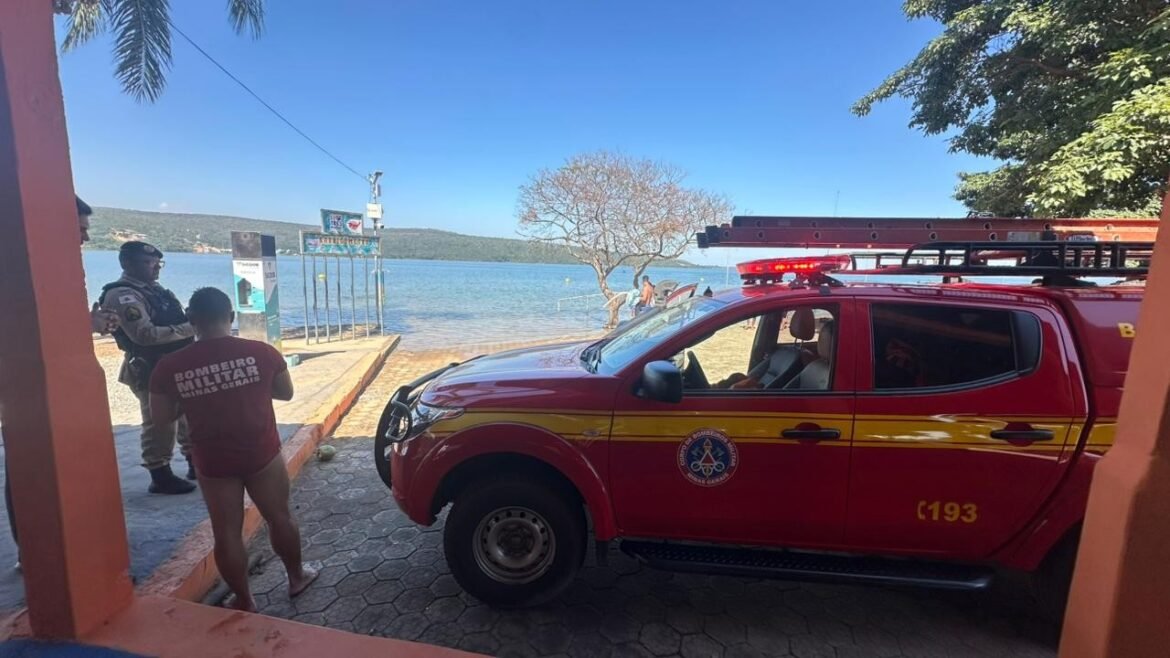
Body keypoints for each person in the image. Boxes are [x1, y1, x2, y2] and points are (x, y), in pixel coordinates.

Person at [149, 288, 317, 611]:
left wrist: (197, 393)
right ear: (231, 317)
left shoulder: (169, 367)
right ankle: (297, 578)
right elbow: (285, 393)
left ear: (191, 319)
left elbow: (161, 419)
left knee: (226, 533)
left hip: (213, 460)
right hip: (261, 452)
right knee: (279, 517)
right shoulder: (262, 352)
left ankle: (244, 599)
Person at [5, 196, 117, 569]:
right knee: (32, 467)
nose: (84, 239)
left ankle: (52, 545)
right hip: (28, 390)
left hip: (57, 388)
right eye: (79, 230)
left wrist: (88, 324)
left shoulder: (53, 269)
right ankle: (36, 550)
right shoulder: (23, 271)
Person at [100, 241, 197, 494]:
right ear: (127, 264)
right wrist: (190, 329)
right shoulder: (122, 295)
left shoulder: (156, 291)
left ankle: (194, 461)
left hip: (176, 363)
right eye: (148, 263)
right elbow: (145, 335)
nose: (155, 268)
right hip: (149, 366)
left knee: (188, 416)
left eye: (157, 263)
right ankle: (160, 473)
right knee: (159, 421)